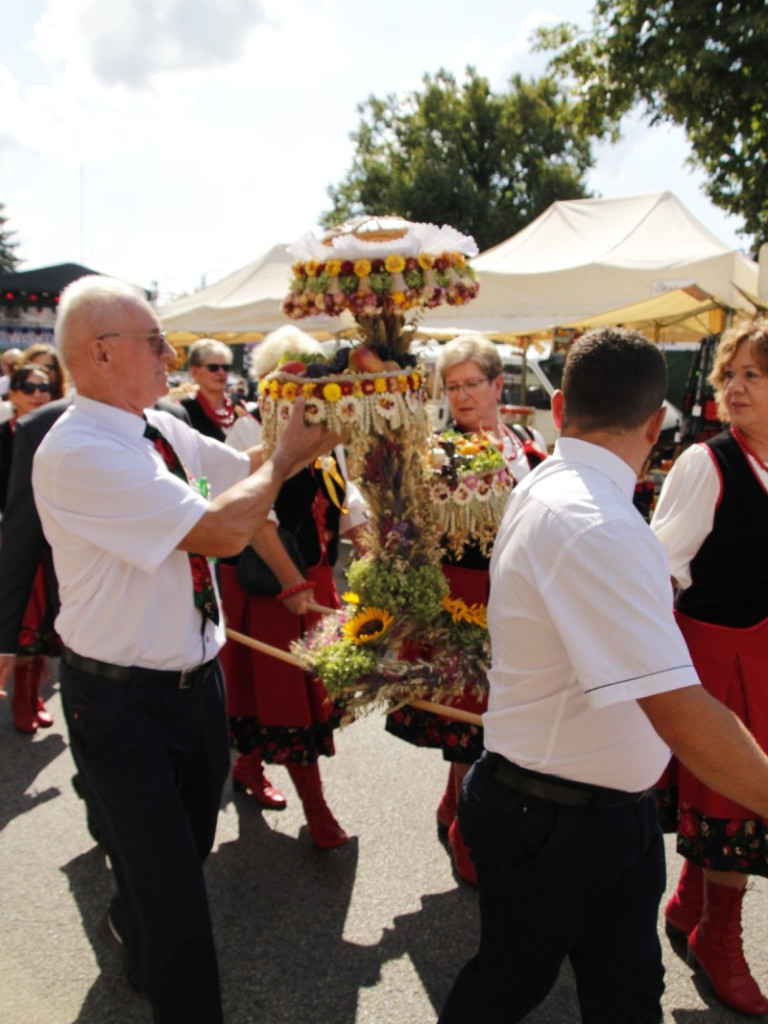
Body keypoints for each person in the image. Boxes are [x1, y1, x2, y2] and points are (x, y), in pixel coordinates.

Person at [15, 275, 337, 1024]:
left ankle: (133, 922)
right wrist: (286, 459)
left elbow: (245, 476)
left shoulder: (157, 428)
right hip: (122, 702)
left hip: (196, 689)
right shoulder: (78, 451)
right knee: (181, 911)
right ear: (100, 354)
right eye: (156, 341)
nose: (173, 354)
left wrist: (324, 414)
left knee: (181, 857)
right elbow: (226, 529)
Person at [438, 327, 768, 1024]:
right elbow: (677, 709)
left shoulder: (563, 489)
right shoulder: (594, 519)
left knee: (623, 994)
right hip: (556, 815)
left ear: (558, 409)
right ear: (656, 426)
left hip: (593, 809)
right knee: (505, 989)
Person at [385, 334, 546, 882]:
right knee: (471, 721)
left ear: (498, 385)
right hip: (464, 598)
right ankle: (464, 828)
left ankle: (456, 806)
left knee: (506, 719)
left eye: (471, 384)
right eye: (452, 387)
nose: (461, 396)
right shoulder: (437, 451)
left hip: (520, 600)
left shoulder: (525, 438)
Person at [651, 318, 768, 1015]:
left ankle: (690, 898)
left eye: (753, 374)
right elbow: (659, 571)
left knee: (739, 793)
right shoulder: (707, 463)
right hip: (714, 655)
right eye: (730, 375)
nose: (735, 387)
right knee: (735, 801)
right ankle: (719, 937)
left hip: (762, 652)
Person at [218, 325, 368, 848]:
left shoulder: (324, 431)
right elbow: (255, 519)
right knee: (284, 696)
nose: (305, 392)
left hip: (312, 578)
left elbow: (346, 498)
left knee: (297, 694)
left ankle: (247, 765)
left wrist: (370, 549)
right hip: (271, 582)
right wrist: (291, 582)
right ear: (270, 384)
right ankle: (317, 810)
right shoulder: (247, 432)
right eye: (293, 382)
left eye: (312, 382)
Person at [0, 364, 56, 733]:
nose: (38, 393)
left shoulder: (56, 433)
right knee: (23, 625)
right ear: (13, 394)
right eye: (29, 387)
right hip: (13, 543)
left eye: (45, 386)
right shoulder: (5, 436)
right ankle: (22, 700)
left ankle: (33, 695)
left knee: (43, 627)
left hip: (50, 541)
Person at [180, 337, 247, 439]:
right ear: (194, 372)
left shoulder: (238, 405)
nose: (221, 372)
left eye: (226, 367)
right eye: (213, 367)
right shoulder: (185, 409)